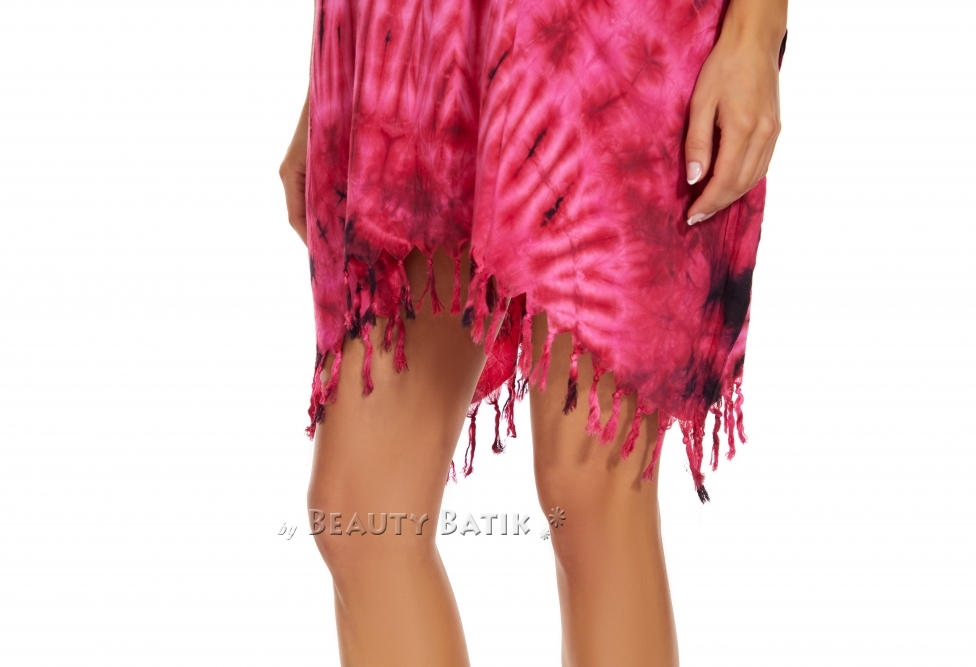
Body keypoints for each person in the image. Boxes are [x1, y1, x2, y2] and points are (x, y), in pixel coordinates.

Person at [279, 0, 787, 664]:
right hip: (415, 28)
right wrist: (326, 90)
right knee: (361, 511)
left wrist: (756, 31)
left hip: (606, 33)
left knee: (590, 494)